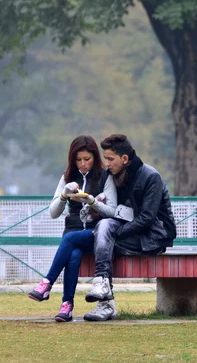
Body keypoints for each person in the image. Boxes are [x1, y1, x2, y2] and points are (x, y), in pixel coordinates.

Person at [83, 134, 176, 321]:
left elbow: (147, 219)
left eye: (110, 159)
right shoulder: (112, 176)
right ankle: (102, 285)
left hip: (154, 236)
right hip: (129, 233)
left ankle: (106, 303)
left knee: (104, 241)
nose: (106, 164)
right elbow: (112, 211)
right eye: (105, 159)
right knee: (103, 227)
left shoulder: (151, 177)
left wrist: (116, 233)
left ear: (124, 159)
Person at [28, 135, 117, 322]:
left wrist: (91, 201)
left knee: (69, 240)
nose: (83, 164)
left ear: (95, 157)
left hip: (96, 233)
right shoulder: (68, 176)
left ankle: (46, 283)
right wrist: (63, 195)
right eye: (78, 160)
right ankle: (66, 306)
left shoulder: (104, 176)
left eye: (87, 159)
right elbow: (52, 213)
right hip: (73, 233)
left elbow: (112, 211)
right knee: (73, 253)